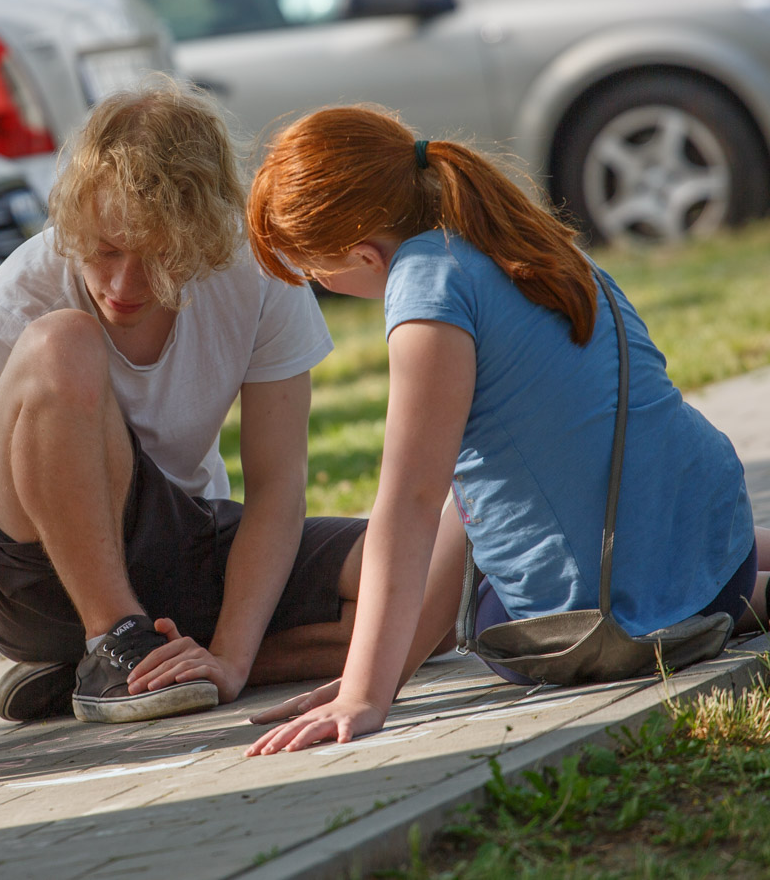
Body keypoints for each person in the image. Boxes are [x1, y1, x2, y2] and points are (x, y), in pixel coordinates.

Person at [0, 81, 466, 742]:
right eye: (105, 249)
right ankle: (110, 640)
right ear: (75, 221)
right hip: (28, 575)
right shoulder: (11, 303)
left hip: (180, 544)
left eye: (159, 255)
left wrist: (230, 658)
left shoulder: (257, 275)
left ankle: (152, 667)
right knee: (65, 339)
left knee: (424, 611)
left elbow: (278, 490)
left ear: (201, 233)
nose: (124, 284)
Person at [242, 105, 770, 755]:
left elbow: (409, 503)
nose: (320, 286)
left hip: (589, 610)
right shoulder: (516, 240)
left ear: (359, 253)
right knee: (484, 496)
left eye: (312, 273)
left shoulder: (424, 285)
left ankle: (685, 605)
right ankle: (710, 597)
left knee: (486, 594)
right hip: (724, 547)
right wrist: (373, 673)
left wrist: (364, 694)